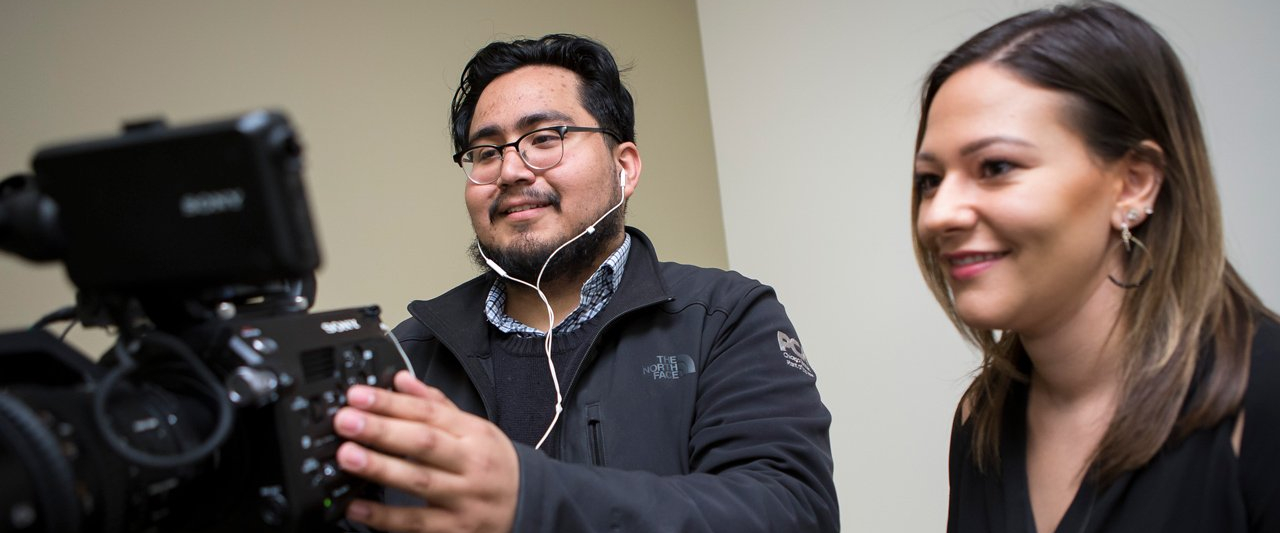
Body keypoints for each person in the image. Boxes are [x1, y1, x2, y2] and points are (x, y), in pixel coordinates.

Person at [330, 34, 838, 532]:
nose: (509, 169)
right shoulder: (407, 355)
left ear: (624, 168)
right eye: (485, 152)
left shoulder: (725, 317)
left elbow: (790, 511)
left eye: (545, 139)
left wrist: (533, 497)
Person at [911, 2, 1280, 532]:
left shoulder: (1261, 398)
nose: (939, 214)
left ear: (1133, 184)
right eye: (930, 179)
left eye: (995, 167)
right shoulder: (983, 419)